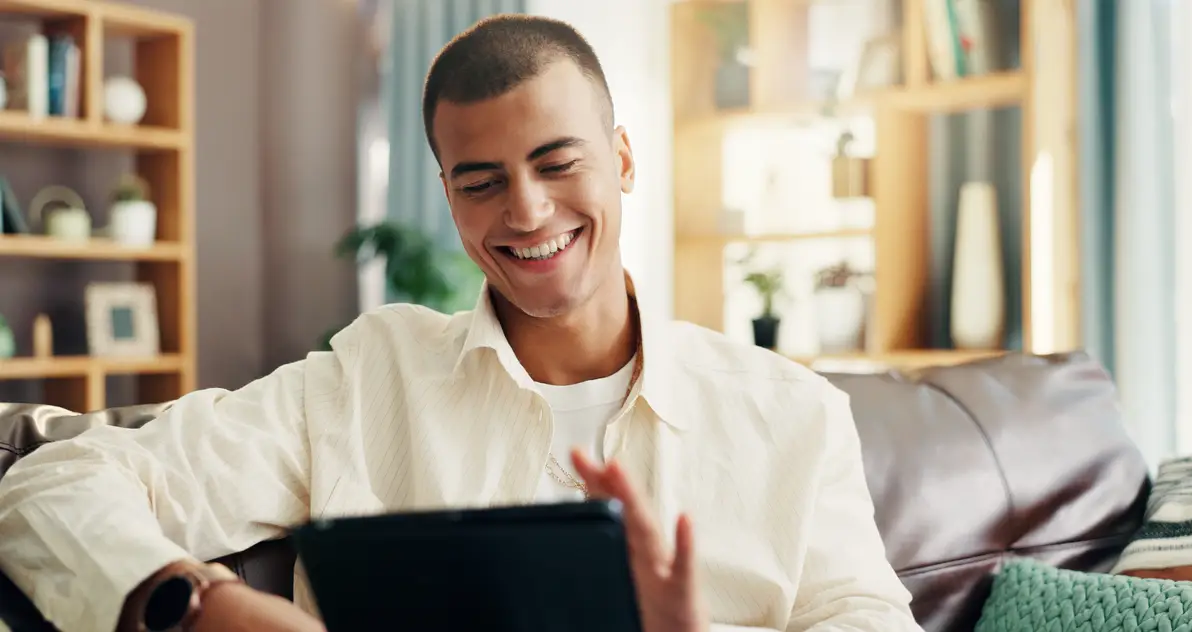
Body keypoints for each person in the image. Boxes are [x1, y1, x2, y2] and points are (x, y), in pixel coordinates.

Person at [0, 14, 921, 632]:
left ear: (624, 159)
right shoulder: (363, 380)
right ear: (447, 196)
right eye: (481, 182)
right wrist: (196, 603)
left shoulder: (792, 414)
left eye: (557, 163)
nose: (526, 211)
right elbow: (50, 485)